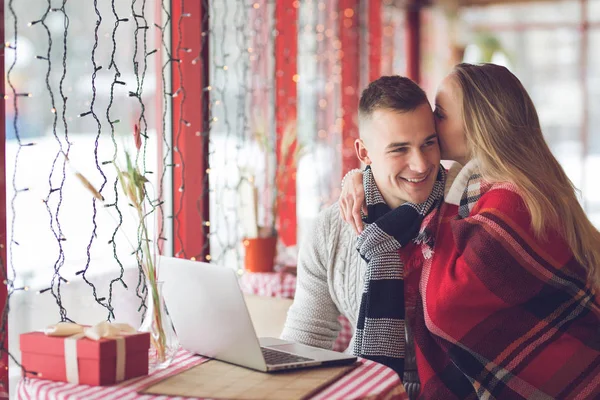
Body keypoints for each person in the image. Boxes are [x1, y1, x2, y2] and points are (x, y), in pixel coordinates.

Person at [340, 63, 600, 399]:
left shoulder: (509, 202)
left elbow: (444, 307)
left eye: (440, 113)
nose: (431, 122)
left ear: (478, 126)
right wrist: (362, 175)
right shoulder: (490, 188)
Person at [281, 75, 459, 395]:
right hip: (364, 387)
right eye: (399, 149)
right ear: (364, 153)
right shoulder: (329, 230)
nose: (420, 165)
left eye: (428, 143)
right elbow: (306, 337)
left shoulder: (466, 210)